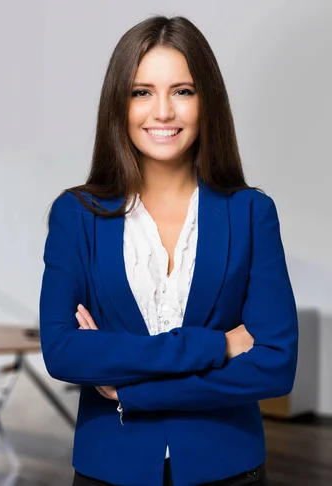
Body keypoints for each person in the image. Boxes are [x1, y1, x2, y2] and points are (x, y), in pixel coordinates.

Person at [38, 15, 298, 486]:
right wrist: (217, 344)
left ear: (207, 102)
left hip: (228, 468)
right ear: (119, 104)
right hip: (108, 469)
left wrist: (132, 392)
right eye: (142, 92)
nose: (162, 112)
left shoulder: (252, 213)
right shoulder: (76, 215)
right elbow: (62, 352)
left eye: (182, 91)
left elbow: (275, 366)